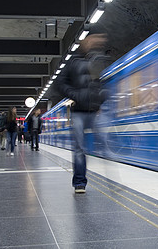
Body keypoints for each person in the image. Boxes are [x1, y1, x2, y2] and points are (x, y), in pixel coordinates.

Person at [56, 29, 108, 193]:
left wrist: (101, 100)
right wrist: (76, 95)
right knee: (79, 148)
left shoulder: (99, 60)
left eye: (99, 40)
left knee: (105, 144)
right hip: (78, 111)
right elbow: (60, 84)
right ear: (85, 40)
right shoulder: (72, 62)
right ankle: (80, 182)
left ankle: (111, 180)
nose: (97, 42)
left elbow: (103, 84)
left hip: (95, 110)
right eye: (94, 39)